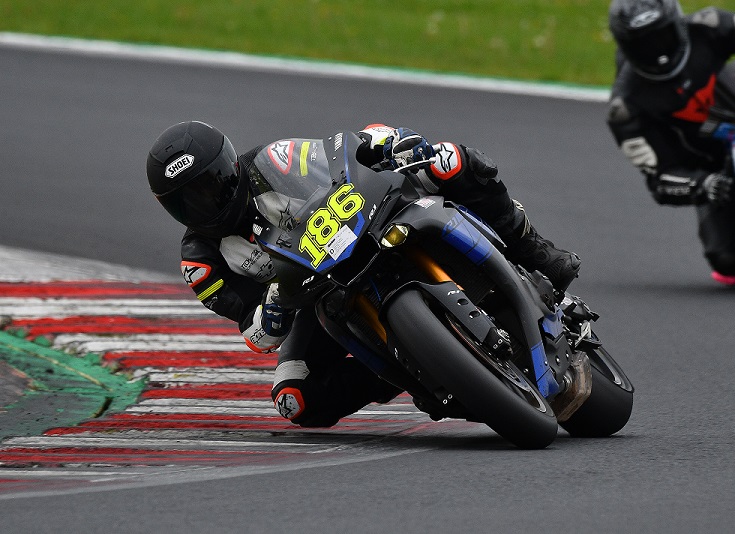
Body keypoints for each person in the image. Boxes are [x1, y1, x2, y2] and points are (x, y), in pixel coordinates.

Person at [146, 120, 581, 427]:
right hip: (316, 298)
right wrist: (272, 309)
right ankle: (414, 370)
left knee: (448, 160)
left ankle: (536, 253)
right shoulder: (201, 261)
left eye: (213, 183)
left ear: (230, 165)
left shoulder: (271, 161)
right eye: (189, 201)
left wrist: (385, 143)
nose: (208, 202)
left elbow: (338, 152)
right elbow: (255, 331)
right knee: (295, 400)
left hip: (368, 222)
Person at [607, 0, 735, 285]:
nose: (658, 52)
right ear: (626, 47)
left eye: (662, 37)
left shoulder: (710, 24)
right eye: (644, 45)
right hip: (720, 163)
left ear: (677, 24)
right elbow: (661, 179)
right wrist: (704, 184)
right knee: (728, 258)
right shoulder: (626, 107)